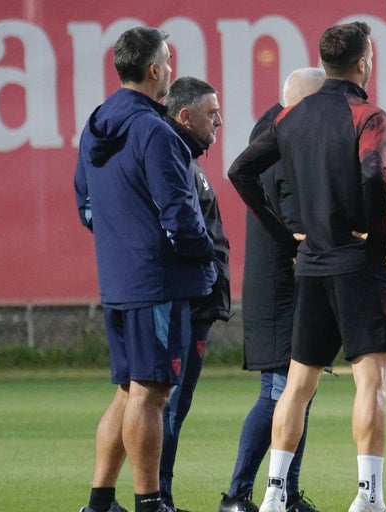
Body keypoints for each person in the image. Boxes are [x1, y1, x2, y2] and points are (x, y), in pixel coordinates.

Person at [228, 21, 386, 512]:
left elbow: (240, 170)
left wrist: (284, 234)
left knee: (297, 386)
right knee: (372, 381)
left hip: (311, 266)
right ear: (365, 61)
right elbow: (374, 178)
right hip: (355, 264)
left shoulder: (291, 118)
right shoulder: (367, 116)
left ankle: (274, 492)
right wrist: (378, 240)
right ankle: (369, 496)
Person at [74, 27, 216, 512]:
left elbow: (85, 206)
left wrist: (123, 245)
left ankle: (99, 501)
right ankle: (150, 500)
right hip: (157, 283)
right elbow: (180, 216)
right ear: (154, 69)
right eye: (168, 63)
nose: (172, 70)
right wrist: (204, 259)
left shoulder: (96, 123)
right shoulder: (156, 132)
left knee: (127, 391)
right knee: (152, 392)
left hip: (117, 279)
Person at [218, 67, 326, 512]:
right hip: (285, 286)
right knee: (281, 392)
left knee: (293, 392)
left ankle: (287, 491)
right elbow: (294, 214)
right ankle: (239, 493)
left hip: (278, 284)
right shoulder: (287, 141)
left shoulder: (271, 130)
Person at [158, 76, 231, 512]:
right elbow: (181, 231)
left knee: (174, 408)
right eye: (211, 112)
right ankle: (155, 498)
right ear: (184, 116)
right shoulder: (174, 160)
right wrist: (205, 267)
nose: (218, 120)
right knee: (165, 407)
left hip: (197, 303)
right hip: (182, 303)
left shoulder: (188, 160)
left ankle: (160, 497)